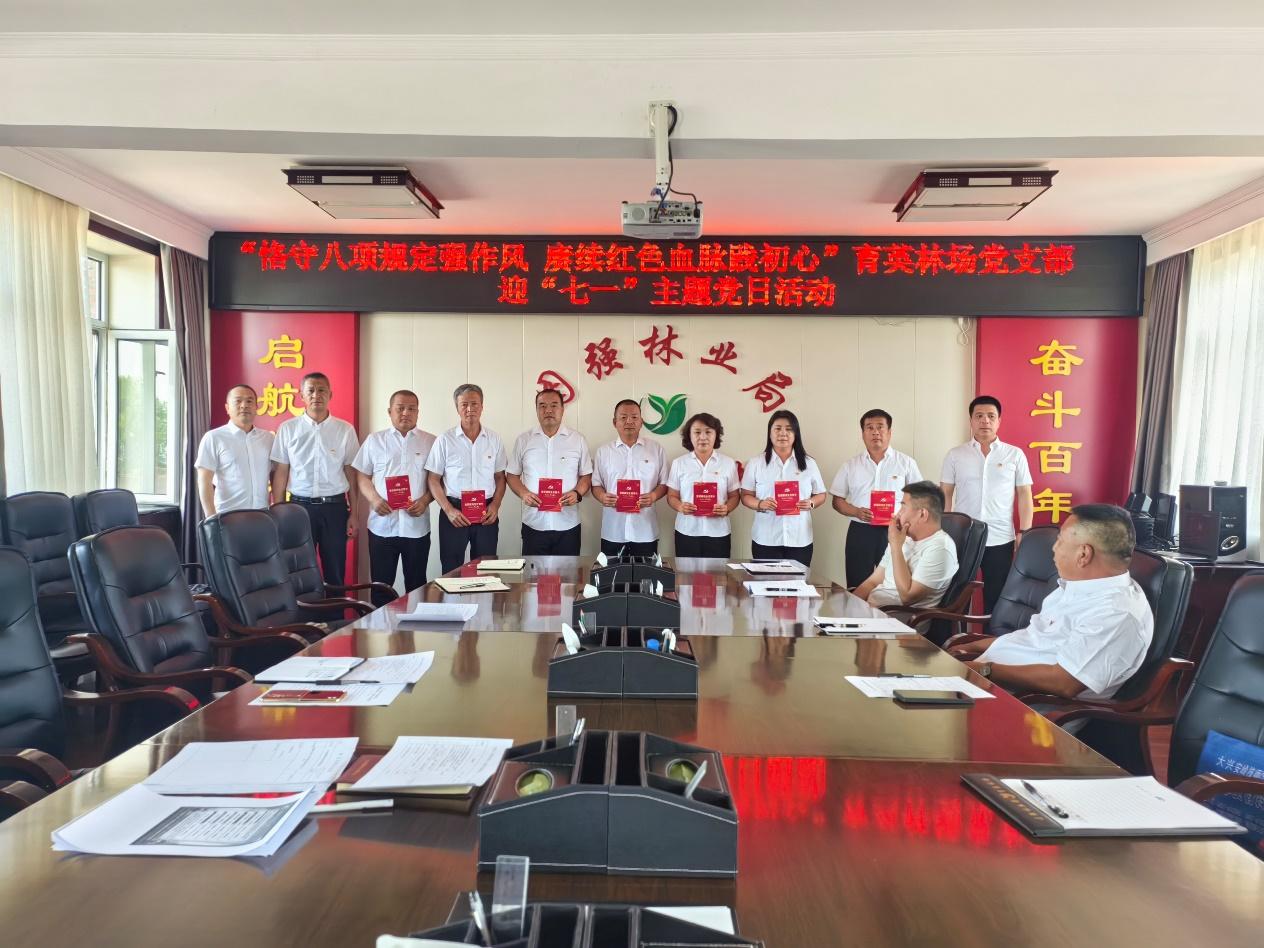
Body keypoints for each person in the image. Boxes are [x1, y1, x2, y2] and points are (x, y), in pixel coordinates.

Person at [949, 504, 1154, 701]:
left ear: (1083, 554)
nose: (1054, 549)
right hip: (988, 681)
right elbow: (1032, 638)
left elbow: (1063, 682)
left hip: (1023, 705)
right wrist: (972, 647)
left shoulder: (1116, 613)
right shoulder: (1077, 586)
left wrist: (985, 669)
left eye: (1060, 541)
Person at [940, 395, 1033, 618]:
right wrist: (942, 531)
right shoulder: (955, 455)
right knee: (957, 597)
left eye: (991, 416)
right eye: (979, 416)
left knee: (997, 597)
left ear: (999, 421)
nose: (985, 421)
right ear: (971, 421)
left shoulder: (1014, 454)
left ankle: (993, 638)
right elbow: (945, 493)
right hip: (963, 538)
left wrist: (1025, 532)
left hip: (1000, 538)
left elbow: (1024, 494)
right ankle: (957, 637)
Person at [270, 371, 360, 585]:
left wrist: (355, 514)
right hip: (298, 508)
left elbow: (352, 474)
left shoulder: (345, 430)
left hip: (335, 509)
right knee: (298, 570)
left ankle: (335, 608)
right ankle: (302, 609)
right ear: (301, 395)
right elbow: (281, 472)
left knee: (335, 571)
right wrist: (279, 512)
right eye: (310, 390)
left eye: (321, 390)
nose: (316, 395)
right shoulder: (288, 429)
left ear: (330, 394)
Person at [352, 389, 436, 595]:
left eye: (411, 409)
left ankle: (416, 617)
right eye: (400, 408)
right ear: (390, 411)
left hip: (416, 526)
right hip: (382, 526)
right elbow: (361, 475)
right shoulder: (375, 441)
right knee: (381, 587)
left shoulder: (432, 442)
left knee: (417, 587)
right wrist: (374, 499)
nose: (406, 413)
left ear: (418, 413)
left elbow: (437, 481)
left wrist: (425, 501)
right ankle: (380, 619)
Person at [830, 409, 923, 587]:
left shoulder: (906, 463)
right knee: (857, 584)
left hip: (896, 530)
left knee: (893, 585)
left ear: (889, 432)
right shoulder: (850, 465)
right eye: (869, 427)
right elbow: (837, 501)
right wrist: (856, 512)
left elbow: (919, 498)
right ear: (862, 433)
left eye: (880, 427)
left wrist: (903, 517)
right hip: (860, 531)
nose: (875, 432)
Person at [425, 383, 507, 574]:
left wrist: (495, 505)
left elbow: (500, 478)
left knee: (486, 569)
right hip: (454, 512)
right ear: (457, 408)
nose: (470, 409)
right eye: (464, 404)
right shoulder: (445, 440)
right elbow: (433, 479)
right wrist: (448, 510)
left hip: (486, 512)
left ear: (482, 406)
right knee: (451, 569)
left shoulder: (494, 439)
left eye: (474, 404)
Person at [507, 389, 593, 555]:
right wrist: (524, 494)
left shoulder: (577, 440)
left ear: (562, 409)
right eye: (542, 406)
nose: (548, 410)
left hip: (568, 524)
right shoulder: (524, 440)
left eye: (554, 405)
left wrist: (577, 493)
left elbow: (586, 475)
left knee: (569, 572)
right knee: (533, 572)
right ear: (536, 410)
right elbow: (512, 475)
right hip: (534, 523)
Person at [740, 410, 827, 566]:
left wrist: (811, 503)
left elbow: (821, 494)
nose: (783, 433)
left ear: (796, 434)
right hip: (766, 538)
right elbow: (745, 496)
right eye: (777, 428)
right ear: (770, 433)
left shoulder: (809, 463)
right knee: (765, 580)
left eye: (788, 429)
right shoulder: (756, 463)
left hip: (799, 538)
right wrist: (760, 504)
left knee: (798, 581)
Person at [854, 481, 959, 609]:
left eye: (903, 508)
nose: (897, 514)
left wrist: (896, 547)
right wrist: (849, 606)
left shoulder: (941, 549)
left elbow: (907, 596)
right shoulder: (903, 538)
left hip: (895, 617)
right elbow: (873, 581)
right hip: (871, 611)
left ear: (922, 514)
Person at [591, 399, 669, 558]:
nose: (629, 421)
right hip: (613, 530)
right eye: (623, 417)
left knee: (645, 573)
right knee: (613, 574)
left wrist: (653, 496)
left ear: (641, 422)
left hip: (645, 531)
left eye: (634, 417)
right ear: (615, 422)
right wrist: (602, 497)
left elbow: (665, 483)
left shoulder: (656, 449)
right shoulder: (603, 452)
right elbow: (596, 485)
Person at [666, 412, 741, 558]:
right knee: (686, 572)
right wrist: (680, 506)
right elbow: (671, 495)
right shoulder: (679, 463)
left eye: (708, 432)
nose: (703, 437)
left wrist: (727, 508)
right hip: (687, 531)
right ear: (689, 435)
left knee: (718, 573)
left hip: (718, 532)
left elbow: (734, 496)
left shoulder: (728, 463)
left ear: (716, 435)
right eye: (697, 432)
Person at [195, 384, 275, 516]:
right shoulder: (214, 438)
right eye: (238, 401)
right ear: (227, 408)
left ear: (256, 407)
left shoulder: (268, 438)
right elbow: (204, 481)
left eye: (249, 401)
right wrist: (211, 519)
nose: (244, 405)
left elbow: (275, 474)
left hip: (262, 515)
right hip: (227, 516)